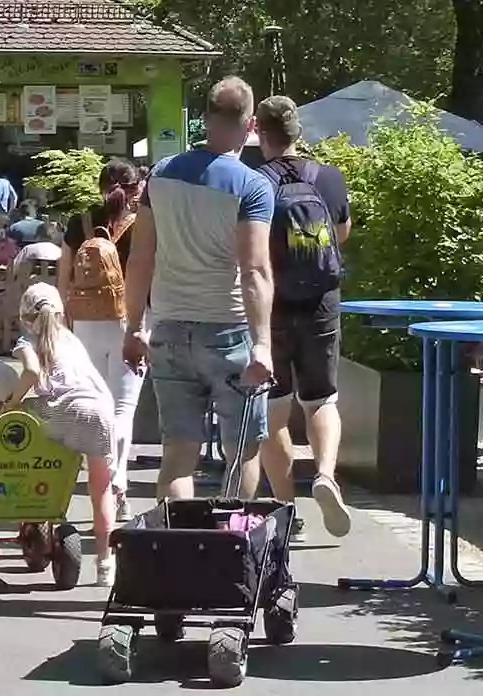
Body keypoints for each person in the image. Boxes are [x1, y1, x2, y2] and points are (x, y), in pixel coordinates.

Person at [122, 76, 275, 503]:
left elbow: (140, 259)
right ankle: (229, 550)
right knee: (241, 451)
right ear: (250, 128)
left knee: (177, 455)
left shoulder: (160, 176)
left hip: (169, 327)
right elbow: (255, 270)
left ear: (204, 119)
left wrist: (134, 326)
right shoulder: (252, 186)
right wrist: (263, 344)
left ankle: (180, 553)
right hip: (228, 329)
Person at [250, 96, 353, 540]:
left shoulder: (255, 182)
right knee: (322, 400)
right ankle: (326, 475)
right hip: (321, 303)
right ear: (298, 131)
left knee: (272, 413)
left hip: (272, 307)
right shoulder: (328, 177)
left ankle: (286, 509)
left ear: (260, 133)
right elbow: (342, 233)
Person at [7, 282, 118, 584]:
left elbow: (30, 373)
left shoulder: (28, 340)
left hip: (61, 409)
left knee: (22, 430)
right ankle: (106, 565)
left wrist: (10, 403)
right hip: (99, 409)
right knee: (101, 490)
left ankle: (32, 510)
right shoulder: (71, 339)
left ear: (25, 316)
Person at [60, 158, 143, 520]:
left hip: (86, 322)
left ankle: (98, 471)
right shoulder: (142, 225)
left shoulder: (79, 223)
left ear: (98, 186)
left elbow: (64, 275)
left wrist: (67, 315)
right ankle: (118, 481)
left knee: (94, 402)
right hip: (130, 321)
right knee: (123, 408)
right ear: (135, 188)